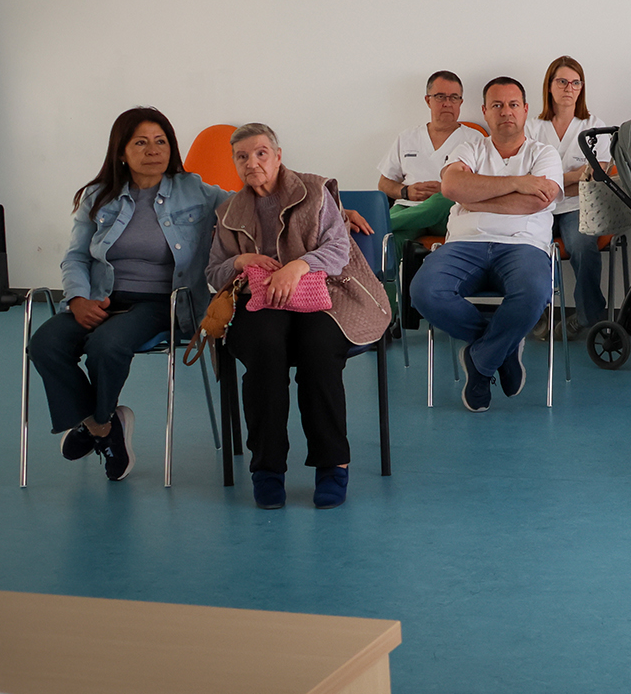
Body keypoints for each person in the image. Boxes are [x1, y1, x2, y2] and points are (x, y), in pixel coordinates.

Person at [31, 107, 231, 481]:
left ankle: (95, 426)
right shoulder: (98, 195)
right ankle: (104, 425)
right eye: (141, 142)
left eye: (161, 141)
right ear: (121, 151)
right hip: (100, 298)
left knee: (106, 345)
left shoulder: (196, 190)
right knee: (45, 343)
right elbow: (75, 256)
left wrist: (326, 207)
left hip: (162, 303)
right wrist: (77, 299)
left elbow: (252, 204)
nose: (153, 150)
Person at [208, 124, 391, 510]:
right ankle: (267, 469)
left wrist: (298, 266)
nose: (251, 162)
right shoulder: (228, 211)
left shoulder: (314, 191)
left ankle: (332, 465)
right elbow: (212, 273)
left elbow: (339, 250)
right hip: (261, 301)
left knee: (319, 349)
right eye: (241, 156)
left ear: (277, 156)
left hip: (325, 294)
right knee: (264, 349)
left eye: (260, 153)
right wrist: (240, 260)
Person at [411, 77, 563, 412]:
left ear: (525, 110)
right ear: (484, 111)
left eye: (512, 105)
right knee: (424, 291)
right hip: (465, 244)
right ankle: (503, 348)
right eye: (496, 105)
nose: (505, 111)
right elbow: (451, 186)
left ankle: (480, 360)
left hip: (524, 246)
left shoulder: (544, 153)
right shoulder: (470, 148)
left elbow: (537, 202)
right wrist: (517, 184)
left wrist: (476, 199)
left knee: (535, 292)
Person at [377, 71, 484, 328]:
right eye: (440, 96)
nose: (447, 103)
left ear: (460, 102)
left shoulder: (475, 140)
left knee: (443, 198)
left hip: (448, 214)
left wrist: (450, 187)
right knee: (389, 246)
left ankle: (378, 224)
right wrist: (406, 192)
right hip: (409, 213)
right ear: (428, 100)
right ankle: (385, 319)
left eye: (453, 97)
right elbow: (384, 184)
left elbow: (481, 187)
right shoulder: (407, 138)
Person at [524, 56, 612, 339]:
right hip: (537, 205)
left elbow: (598, 177)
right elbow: (527, 178)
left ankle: (587, 318)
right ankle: (534, 313)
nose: (569, 88)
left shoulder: (594, 126)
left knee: (583, 247)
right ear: (549, 86)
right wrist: (574, 176)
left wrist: (556, 180)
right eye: (562, 81)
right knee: (524, 247)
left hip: (577, 206)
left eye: (575, 82)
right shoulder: (532, 128)